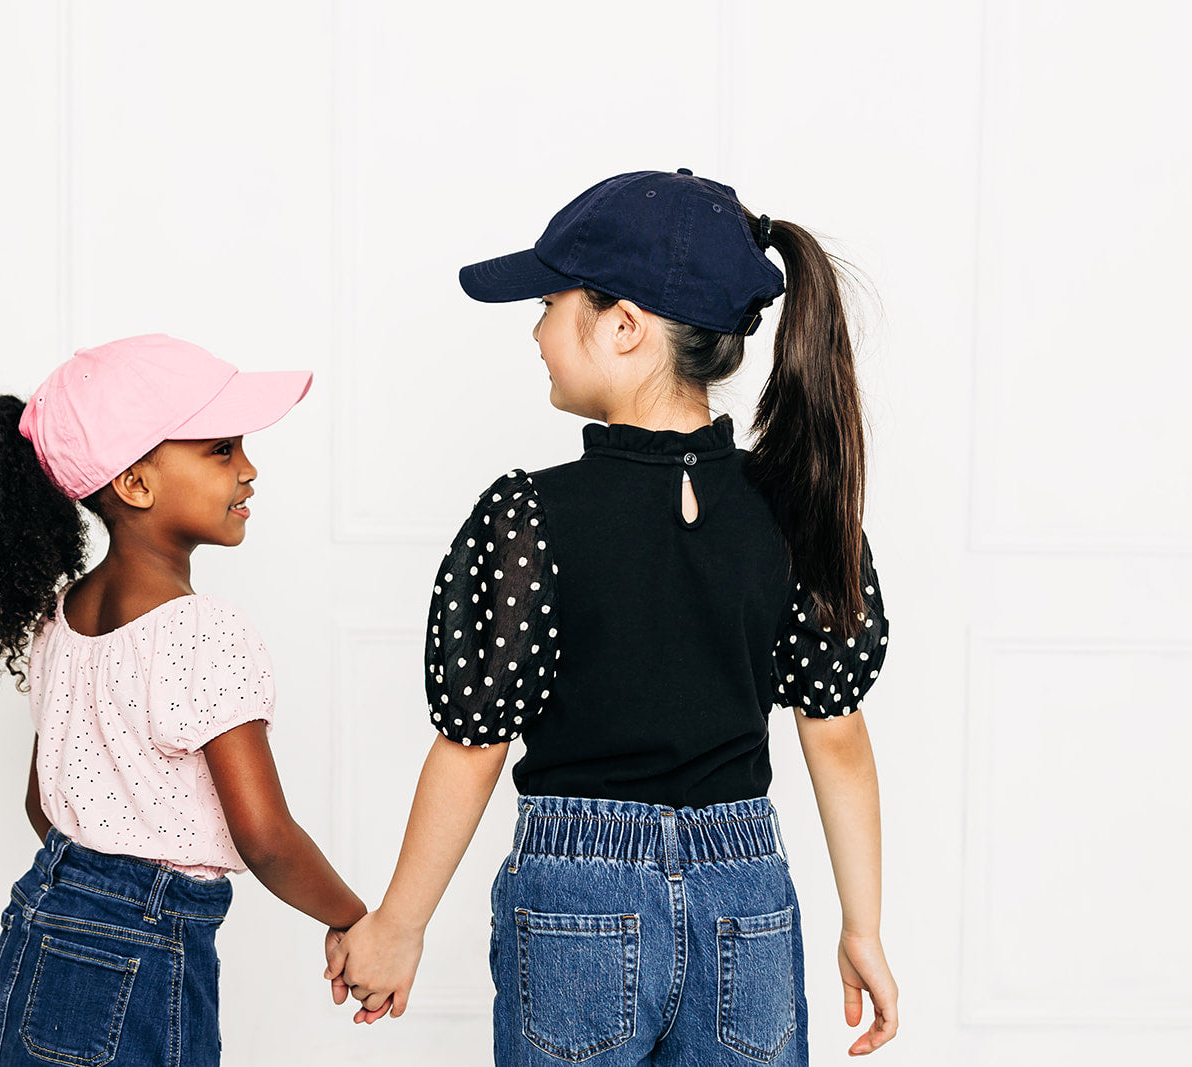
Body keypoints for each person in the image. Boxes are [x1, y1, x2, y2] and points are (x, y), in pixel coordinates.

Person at [325, 170, 900, 1063]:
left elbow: (475, 743)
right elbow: (837, 734)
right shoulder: (797, 506)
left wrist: (399, 922)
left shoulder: (528, 519)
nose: (536, 328)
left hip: (576, 901)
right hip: (745, 898)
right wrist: (861, 924)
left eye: (551, 301)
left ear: (623, 325)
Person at [0, 334, 367, 1067]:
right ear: (136, 483)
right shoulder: (202, 630)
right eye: (220, 449)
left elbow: (43, 805)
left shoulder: (60, 620)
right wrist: (356, 920)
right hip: (146, 950)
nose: (249, 468)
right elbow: (266, 836)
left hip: (38, 926)